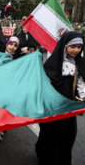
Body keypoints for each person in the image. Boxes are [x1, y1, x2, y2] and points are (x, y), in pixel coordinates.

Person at [35, 31, 85, 165]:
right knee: (48, 135)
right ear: (65, 46)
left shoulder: (80, 63)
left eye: (79, 47)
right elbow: (43, 84)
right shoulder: (53, 63)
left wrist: (82, 97)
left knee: (67, 137)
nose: (76, 50)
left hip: (68, 108)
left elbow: (81, 83)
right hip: (52, 108)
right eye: (73, 46)